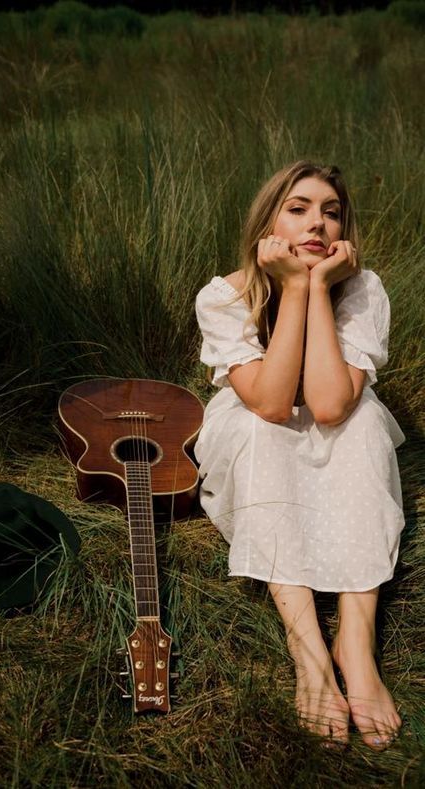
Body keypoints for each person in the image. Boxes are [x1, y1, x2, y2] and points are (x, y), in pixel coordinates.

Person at [194, 161, 405, 750]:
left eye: (331, 213)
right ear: (269, 222)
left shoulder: (362, 289)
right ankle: (307, 648)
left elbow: (331, 404)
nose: (317, 223)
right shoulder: (224, 296)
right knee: (267, 431)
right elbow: (269, 401)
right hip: (256, 421)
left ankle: (355, 643)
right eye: (299, 208)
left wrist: (316, 288)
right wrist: (291, 287)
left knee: (363, 425)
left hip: (334, 409)